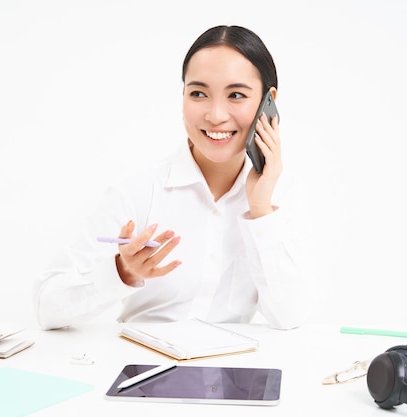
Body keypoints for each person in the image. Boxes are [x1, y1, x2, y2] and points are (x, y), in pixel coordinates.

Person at [33, 25, 311, 331]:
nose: (216, 115)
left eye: (236, 95)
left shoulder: (280, 194)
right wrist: (121, 271)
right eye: (199, 93)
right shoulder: (139, 189)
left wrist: (260, 211)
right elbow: (48, 308)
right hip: (143, 368)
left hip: (231, 373)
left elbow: (291, 319)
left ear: (268, 102)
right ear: (183, 97)